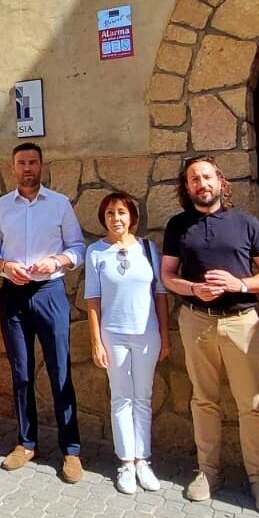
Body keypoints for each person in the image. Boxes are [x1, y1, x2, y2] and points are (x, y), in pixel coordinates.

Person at [160, 155, 259, 516]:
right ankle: (208, 473)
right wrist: (193, 289)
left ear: (220, 181)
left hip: (241, 321)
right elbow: (167, 276)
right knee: (204, 399)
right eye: (194, 179)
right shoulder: (178, 225)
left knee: (253, 403)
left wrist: (239, 283)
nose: (201, 183)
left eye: (207, 176)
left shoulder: (246, 223)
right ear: (187, 187)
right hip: (196, 320)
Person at [0, 143, 86, 484]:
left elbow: (77, 248)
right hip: (13, 295)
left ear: (41, 166)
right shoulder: (1, 207)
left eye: (32, 162)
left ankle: (71, 450)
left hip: (50, 293)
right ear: (13, 168)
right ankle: (26, 443)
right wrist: (3, 265)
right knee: (22, 372)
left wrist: (56, 261)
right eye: (21, 163)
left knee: (59, 374)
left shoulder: (58, 204)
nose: (27, 168)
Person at [85, 191, 171, 494]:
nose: (116, 218)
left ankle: (142, 459)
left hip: (146, 333)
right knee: (121, 397)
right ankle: (125, 463)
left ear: (132, 216)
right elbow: (93, 300)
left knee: (143, 397)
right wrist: (96, 341)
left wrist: (165, 335)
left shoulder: (148, 249)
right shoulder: (96, 252)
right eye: (110, 213)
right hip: (114, 334)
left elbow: (160, 295)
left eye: (121, 212)